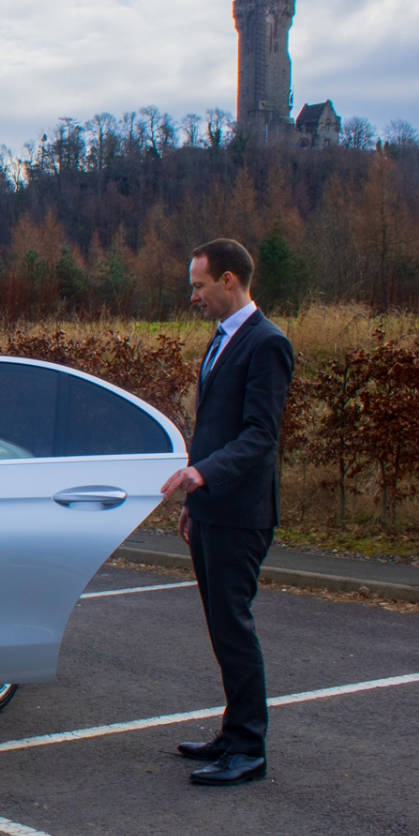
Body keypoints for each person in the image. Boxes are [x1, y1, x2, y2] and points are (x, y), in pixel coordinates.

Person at [160, 238, 294, 786]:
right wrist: (197, 499)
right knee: (220, 627)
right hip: (214, 508)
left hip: (242, 512)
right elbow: (213, 430)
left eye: (200, 285)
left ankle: (249, 747)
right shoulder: (221, 340)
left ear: (230, 281)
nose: (194, 296)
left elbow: (261, 436)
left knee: (234, 627)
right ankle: (233, 730)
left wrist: (204, 474)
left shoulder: (267, 344)